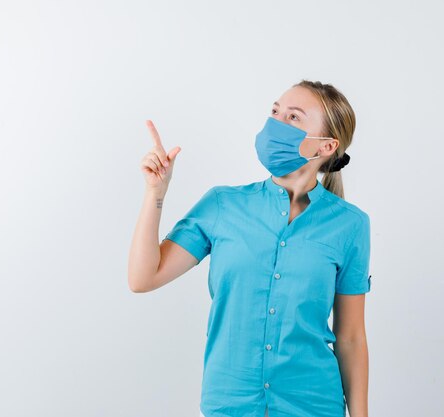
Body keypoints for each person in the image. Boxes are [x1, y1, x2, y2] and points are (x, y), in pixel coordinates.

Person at [128, 79, 371, 417]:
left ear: (326, 146)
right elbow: (143, 278)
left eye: (293, 117)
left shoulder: (350, 225)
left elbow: (351, 338)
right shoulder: (222, 205)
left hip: (314, 405)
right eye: (275, 111)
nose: (276, 123)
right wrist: (155, 193)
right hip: (230, 404)